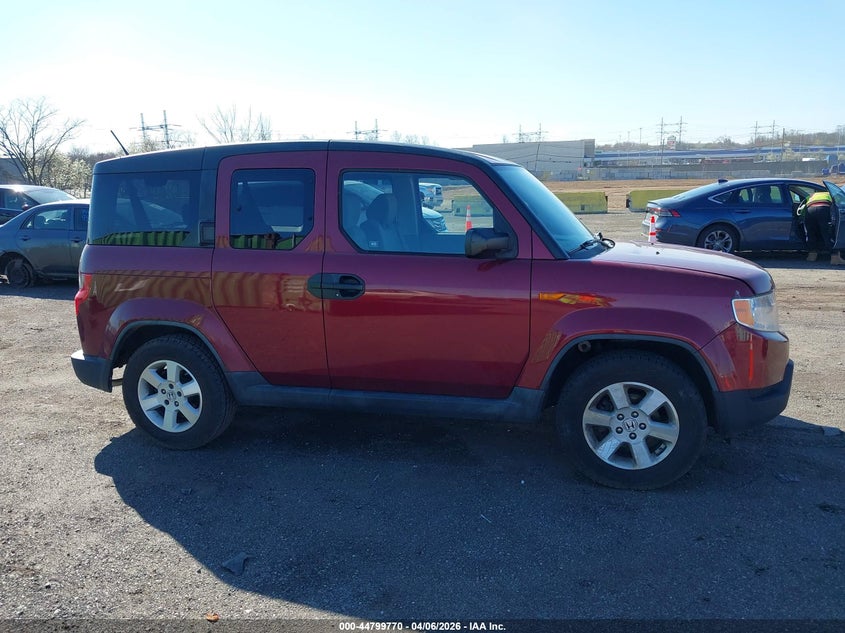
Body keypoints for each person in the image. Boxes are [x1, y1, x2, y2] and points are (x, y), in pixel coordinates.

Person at [797, 190, 843, 265]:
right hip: (823, 209)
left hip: (810, 210)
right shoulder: (830, 194)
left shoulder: (812, 195)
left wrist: (802, 218)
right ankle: (835, 257)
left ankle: (812, 255)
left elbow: (803, 206)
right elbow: (840, 204)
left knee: (810, 233)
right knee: (827, 233)